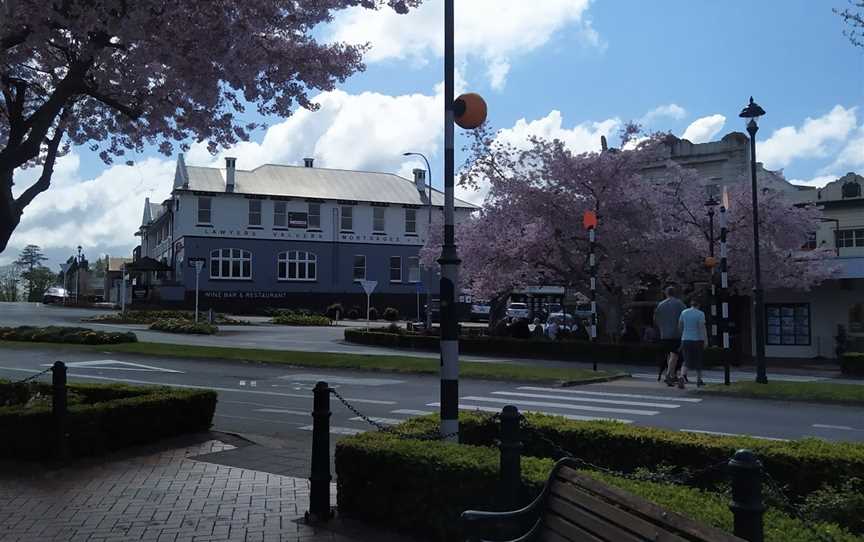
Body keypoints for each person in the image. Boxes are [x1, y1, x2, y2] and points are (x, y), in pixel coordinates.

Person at [653, 286, 686, 386]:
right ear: (675, 293)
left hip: (664, 334)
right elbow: (684, 318)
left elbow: (655, 319)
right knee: (675, 355)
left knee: (670, 354)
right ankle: (669, 375)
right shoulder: (680, 304)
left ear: (666, 293)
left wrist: (661, 327)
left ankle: (671, 374)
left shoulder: (660, 305)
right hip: (676, 334)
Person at [677, 298, 708, 389]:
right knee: (698, 359)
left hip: (685, 339)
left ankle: (682, 376)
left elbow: (680, 325)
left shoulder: (684, 312)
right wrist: (705, 340)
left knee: (686, 360)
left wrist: (683, 334)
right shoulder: (700, 314)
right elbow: (702, 328)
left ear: (691, 304)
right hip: (697, 340)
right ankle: (699, 380)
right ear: (699, 305)